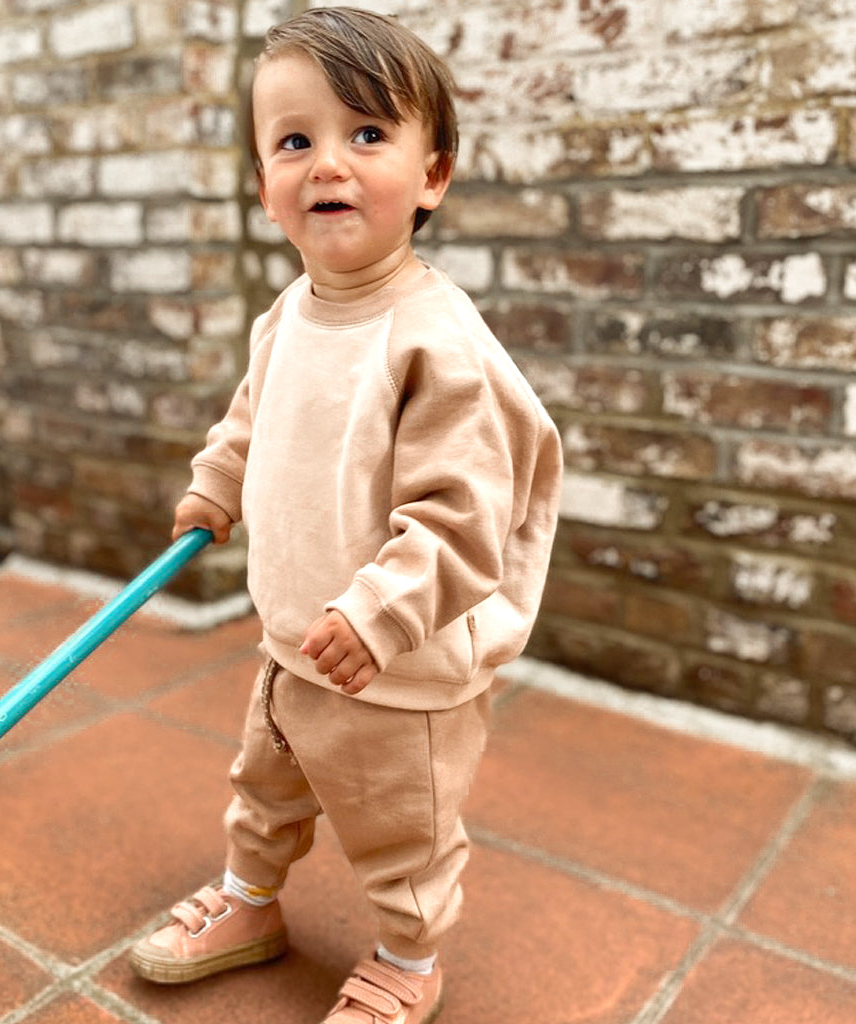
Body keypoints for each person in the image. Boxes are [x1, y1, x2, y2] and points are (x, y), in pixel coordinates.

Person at [129, 7, 563, 1023]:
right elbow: (252, 417)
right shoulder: (287, 313)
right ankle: (249, 902)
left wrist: (379, 612)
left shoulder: (435, 341)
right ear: (264, 190)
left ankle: (410, 957)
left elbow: (463, 517)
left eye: (366, 134)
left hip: (396, 664)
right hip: (293, 643)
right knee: (264, 789)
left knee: (401, 828)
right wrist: (215, 484)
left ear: (432, 175)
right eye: (294, 141)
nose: (328, 164)